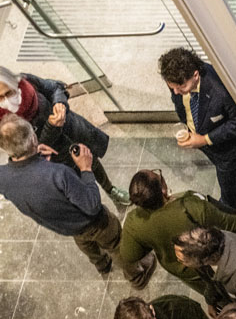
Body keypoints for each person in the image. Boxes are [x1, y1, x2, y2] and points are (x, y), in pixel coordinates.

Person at [0, 115, 155, 287]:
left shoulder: (2, 176)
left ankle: (102, 265)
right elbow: (91, 205)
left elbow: (28, 181)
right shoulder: (59, 174)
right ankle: (137, 277)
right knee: (117, 244)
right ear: (33, 138)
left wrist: (36, 161)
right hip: (94, 222)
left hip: (66, 226)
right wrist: (86, 168)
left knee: (86, 244)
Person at [120, 168, 236, 305]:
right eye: (159, 175)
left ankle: (225, 305)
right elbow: (227, 221)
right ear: (162, 189)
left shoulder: (134, 221)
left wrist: (155, 243)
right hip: (209, 260)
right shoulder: (189, 206)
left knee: (211, 292)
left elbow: (129, 255)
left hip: (184, 270)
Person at [0, 66, 129, 204]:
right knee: (74, 183)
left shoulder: (26, 82)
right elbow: (30, 150)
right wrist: (52, 126)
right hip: (56, 156)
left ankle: (110, 190)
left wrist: (59, 103)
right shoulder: (4, 126)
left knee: (93, 162)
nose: (7, 100)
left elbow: (53, 87)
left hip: (74, 132)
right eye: (0, 98)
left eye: (10, 92)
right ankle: (91, 205)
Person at [158, 48, 236, 212]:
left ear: (195, 75)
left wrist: (204, 139)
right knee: (232, 169)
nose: (176, 92)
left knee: (228, 188)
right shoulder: (177, 81)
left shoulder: (220, 91)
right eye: (172, 88)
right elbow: (181, 99)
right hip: (203, 138)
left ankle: (231, 213)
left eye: (181, 87)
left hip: (229, 144)